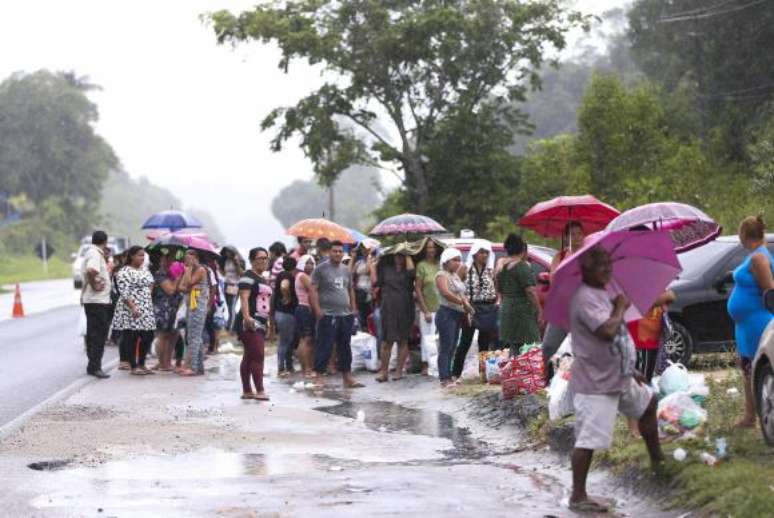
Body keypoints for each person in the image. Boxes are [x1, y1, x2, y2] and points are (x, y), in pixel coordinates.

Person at [568, 246, 663, 513]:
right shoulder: (584, 298)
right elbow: (608, 331)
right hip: (596, 383)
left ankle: (658, 463)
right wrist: (620, 308)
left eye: (609, 265)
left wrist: (629, 368)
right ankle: (578, 495)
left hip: (618, 375)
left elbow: (617, 338)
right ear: (585, 269)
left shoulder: (601, 292)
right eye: (601, 265)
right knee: (588, 440)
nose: (607, 270)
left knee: (648, 404)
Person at [728, 215, 774, 428]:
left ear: (744, 234)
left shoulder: (759, 258)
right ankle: (750, 415)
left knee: (758, 368)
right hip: (745, 324)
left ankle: (759, 413)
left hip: (757, 321)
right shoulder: (755, 255)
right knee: (746, 367)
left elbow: (769, 291)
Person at [309, 240, 364, 388]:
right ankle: (319, 376)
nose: (338, 254)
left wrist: (353, 308)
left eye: (340, 251)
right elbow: (313, 289)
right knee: (324, 345)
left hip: (345, 314)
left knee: (345, 346)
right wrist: (317, 309)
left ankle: (347, 376)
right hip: (327, 314)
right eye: (335, 251)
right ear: (329, 252)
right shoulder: (320, 269)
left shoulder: (346, 270)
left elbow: (350, 289)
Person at [543, 221, 587, 377]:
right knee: (548, 346)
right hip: (561, 310)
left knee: (583, 350)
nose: (576, 237)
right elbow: (554, 281)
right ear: (567, 237)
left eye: (579, 234)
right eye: (572, 234)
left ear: (584, 235)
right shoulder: (560, 256)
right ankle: (547, 380)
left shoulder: (589, 255)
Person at [453, 240, 498, 379]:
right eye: (481, 252)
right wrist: (463, 301)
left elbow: (496, 286)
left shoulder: (490, 269)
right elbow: (455, 286)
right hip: (470, 308)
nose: (484, 255)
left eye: (486, 252)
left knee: (484, 343)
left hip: (487, 308)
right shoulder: (464, 268)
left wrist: (496, 301)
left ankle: (484, 374)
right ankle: (455, 374)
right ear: (474, 253)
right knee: (465, 341)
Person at [235, 247, 274, 400]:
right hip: (250, 322)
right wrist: (247, 318)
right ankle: (260, 390)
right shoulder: (247, 276)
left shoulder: (263, 279)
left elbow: (266, 303)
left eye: (266, 258)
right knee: (258, 355)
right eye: (260, 258)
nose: (264, 261)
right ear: (252, 260)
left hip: (262, 321)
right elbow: (244, 298)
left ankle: (247, 390)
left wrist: (269, 324)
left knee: (249, 356)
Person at [112, 246, 157, 376]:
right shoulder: (124, 272)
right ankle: (133, 365)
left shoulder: (145, 270)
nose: (142, 258)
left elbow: (151, 283)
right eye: (139, 255)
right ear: (131, 256)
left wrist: (147, 295)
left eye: (143, 256)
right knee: (131, 336)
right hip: (130, 308)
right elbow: (124, 292)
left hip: (146, 308)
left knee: (148, 335)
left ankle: (142, 363)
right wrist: (133, 307)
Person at [371, 252, 416, 382]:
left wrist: (408, 255)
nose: (399, 258)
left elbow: (412, 275)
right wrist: (372, 266)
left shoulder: (408, 270)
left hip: (405, 308)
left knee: (403, 340)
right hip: (388, 308)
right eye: (397, 255)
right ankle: (384, 372)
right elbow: (375, 283)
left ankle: (398, 371)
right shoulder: (385, 269)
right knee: (386, 341)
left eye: (402, 255)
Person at [435, 248, 475, 387]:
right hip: (446, 313)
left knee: (452, 346)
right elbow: (445, 293)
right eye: (455, 260)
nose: (458, 263)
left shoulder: (455, 276)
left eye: (459, 260)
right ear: (446, 261)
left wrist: (466, 308)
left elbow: (461, 293)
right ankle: (444, 378)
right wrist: (462, 303)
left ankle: (449, 375)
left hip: (457, 314)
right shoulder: (441, 275)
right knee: (445, 346)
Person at [495, 234, 541, 356]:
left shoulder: (501, 268)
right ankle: (528, 372)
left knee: (514, 344)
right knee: (531, 344)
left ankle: (514, 372)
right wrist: (539, 310)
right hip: (522, 312)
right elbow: (530, 291)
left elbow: (498, 288)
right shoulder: (522, 266)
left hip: (507, 309)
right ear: (522, 249)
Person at [81, 230, 113, 379]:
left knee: (93, 334)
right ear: (105, 241)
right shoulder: (94, 253)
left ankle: (92, 365)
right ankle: (95, 367)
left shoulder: (94, 252)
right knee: (99, 335)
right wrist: (94, 285)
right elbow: (91, 270)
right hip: (97, 301)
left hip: (95, 301)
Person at [178, 249, 210, 376]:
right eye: (185, 259)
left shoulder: (201, 270)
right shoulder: (189, 270)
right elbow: (181, 287)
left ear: (195, 258)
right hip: (190, 306)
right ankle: (199, 367)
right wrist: (188, 273)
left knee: (194, 338)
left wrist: (189, 269)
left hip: (197, 307)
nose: (186, 261)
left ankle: (194, 367)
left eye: (188, 258)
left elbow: (189, 282)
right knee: (193, 337)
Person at [150, 253, 183, 371]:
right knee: (162, 335)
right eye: (166, 259)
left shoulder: (171, 273)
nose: (169, 262)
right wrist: (178, 279)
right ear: (161, 261)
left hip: (173, 308)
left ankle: (167, 362)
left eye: (171, 259)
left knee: (173, 334)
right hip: (162, 309)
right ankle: (162, 363)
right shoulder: (160, 274)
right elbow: (170, 290)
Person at [415, 239, 441, 376]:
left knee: (438, 338)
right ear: (425, 249)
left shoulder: (439, 265)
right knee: (426, 337)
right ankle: (425, 365)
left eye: (433, 248)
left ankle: (436, 364)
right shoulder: (421, 266)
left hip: (440, 307)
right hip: (427, 308)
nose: (431, 250)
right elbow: (418, 289)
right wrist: (425, 310)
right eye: (428, 248)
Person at [272, 256, 298, 377]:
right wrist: (287, 297)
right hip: (286, 313)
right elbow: (284, 286)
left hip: (279, 312)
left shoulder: (280, 274)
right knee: (285, 341)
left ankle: (288, 365)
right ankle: (281, 367)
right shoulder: (287, 276)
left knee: (286, 340)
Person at [295, 254, 317, 377]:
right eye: (308, 263)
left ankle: (305, 368)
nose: (310, 265)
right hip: (305, 308)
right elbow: (314, 289)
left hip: (305, 308)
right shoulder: (303, 276)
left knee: (305, 339)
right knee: (306, 339)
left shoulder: (303, 276)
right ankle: (307, 369)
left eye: (312, 263)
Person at [219, 246, 243, 332]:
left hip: (235, 285)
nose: (227, 254)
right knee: (229, 306)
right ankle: (234, 324)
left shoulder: (238, 261)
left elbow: (242, 273)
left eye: (229, 252)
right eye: (226, 252)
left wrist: (237, 264)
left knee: (232, 307)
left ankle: (231, 327)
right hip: (227, 284)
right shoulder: (226, 260)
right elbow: (223, 272)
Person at [351, 245, 374, 330]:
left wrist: (369, 255)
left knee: (368, 316)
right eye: (363, 249)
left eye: (366, 249)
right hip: (359, 292)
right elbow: (350, 273)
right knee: (361, 315)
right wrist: (353, 257)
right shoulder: (359, 263)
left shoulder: (373, 260)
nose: (364, 251)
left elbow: (367, 270)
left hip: (369, 293)